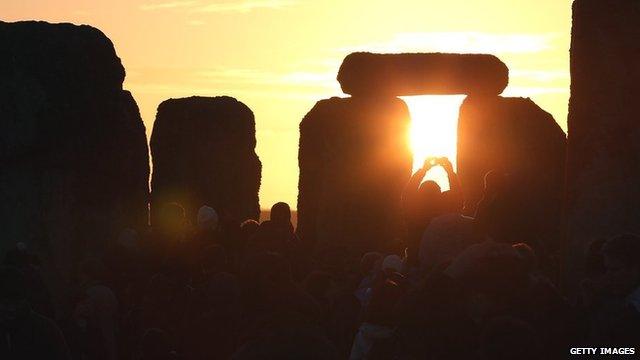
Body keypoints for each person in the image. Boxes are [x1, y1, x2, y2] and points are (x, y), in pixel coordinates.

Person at [402, 157, 462, 267]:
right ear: (440, 195)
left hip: (416, 261)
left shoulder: (414, 212)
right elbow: (458, 198)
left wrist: (423, 170)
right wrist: (450, 171)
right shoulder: (445, 212)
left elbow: (407, 194)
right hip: (442, 261)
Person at [0, 266, 71, 360]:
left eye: (16, 301)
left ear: (25, 299)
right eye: (5, 302)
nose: (11, 308)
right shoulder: (47, 328)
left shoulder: (46, 329)